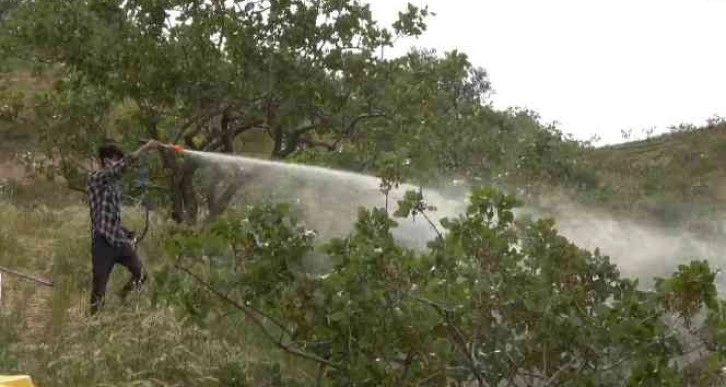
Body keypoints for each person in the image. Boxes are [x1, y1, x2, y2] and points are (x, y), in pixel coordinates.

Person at [86, 138, 163, 315]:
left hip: (119, 241)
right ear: (106, 160)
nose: (119, 163)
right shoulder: (96, 179)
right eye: (116, 159)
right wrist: (145, 148)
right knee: (99, 287)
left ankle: (122, 296)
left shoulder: (113, 186)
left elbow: (112, 220)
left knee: (141, 275)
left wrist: (129, 234)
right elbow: (119, 169)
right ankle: (93, 321)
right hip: (102, 242)